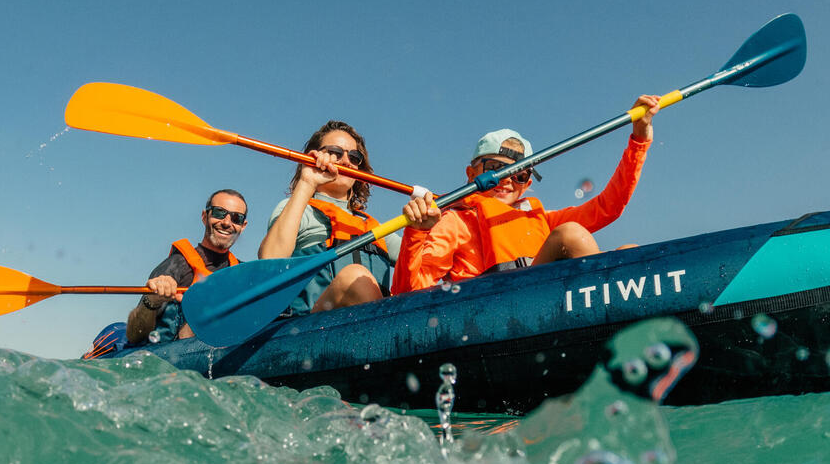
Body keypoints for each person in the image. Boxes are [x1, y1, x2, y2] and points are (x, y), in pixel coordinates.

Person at [391, 96, 661, 293]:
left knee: (630, 254)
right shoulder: (454, 222)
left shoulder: (540, 218)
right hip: (494, 310)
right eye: (495, 169)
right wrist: (416, 232)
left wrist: (639, 138)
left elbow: (609, 207)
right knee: (571, 235)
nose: (506, 180)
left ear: (528, 182)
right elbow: (408, 292)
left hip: (544, 300)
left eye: (519, 173)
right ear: (472, 175)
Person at [258, 121, 400, 314]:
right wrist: (307, 182)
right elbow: (270, 261)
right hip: (311, 330)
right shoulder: (298, 209)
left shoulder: (376, 228)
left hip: (370, 326)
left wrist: (422, 228)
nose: (345, 161)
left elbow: (425, 264)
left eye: (354, 156)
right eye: (335, 152)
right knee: (354, 277)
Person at [125, 188, 248, 345]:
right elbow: (134, 335)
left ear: (243, 226)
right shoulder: (175, 265)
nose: (226, 223)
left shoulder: (243, 274)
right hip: (172, 360)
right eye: (219, 213)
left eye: (236, 218)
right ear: (205, 217)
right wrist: (151, 301)